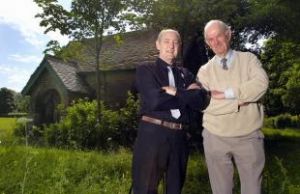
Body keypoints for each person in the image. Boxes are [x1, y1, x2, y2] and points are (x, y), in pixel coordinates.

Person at [132, 29, 210, 194]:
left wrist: (174, 91)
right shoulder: (146, 70)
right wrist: (187, 94)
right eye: (166, 41)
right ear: (158, 45)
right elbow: (154, 100)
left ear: (180, 46)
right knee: (145, 189)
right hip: (152, 136)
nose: (171, 46)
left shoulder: (186, 74)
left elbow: (201, 100)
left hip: (180, 138)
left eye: (175, 42)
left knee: (175, 189)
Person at [197, 20, 269, 194]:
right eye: (210, 39)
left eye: (219, 36)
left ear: (228, 34)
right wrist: (239, 101)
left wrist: (226, 94)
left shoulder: (249, 59)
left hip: (249, 136)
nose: (215, 42)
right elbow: (204, 104)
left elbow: (260, 85)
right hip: (215, 138)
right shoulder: (204, 71)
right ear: (207, 42)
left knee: (252, 190)